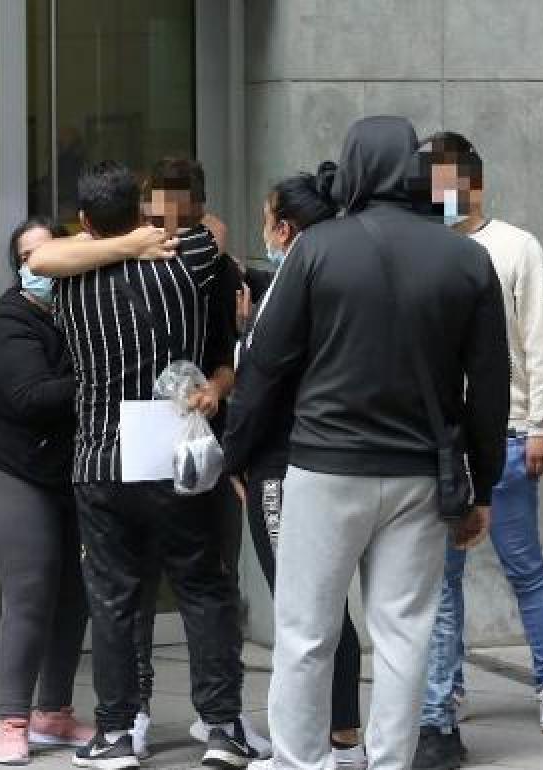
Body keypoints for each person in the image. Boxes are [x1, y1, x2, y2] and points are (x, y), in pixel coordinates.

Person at [225, 115, 510, 770]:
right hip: (418, 477)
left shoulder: (317, 250)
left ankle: (302, 764)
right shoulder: (467, 258)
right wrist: (482, 486)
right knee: (404, 636)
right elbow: (490, 388)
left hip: (325, 468)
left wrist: (236, 455)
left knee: (305, 635)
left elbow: (265, 365)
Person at [28, 161, 253, 770]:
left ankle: (117, 731)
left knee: (115, 598)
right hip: (175, 451)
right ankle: (223, 727)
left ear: (82, 222)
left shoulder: (67, 284)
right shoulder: (190, 259)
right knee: (204, 587)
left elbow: (39, 263)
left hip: (100, 454)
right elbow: (211, 225)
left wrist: (110, 240)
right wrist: (143, 235)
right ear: (145, 211)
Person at [410, 132, 543, 770]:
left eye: (443, 182)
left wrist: (542, 423)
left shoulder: (516, 246)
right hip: (439, 443)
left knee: (523, 565)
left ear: (472, 182)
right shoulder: (425, 249)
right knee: (443, 580)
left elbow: (540, 341)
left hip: (506, 434)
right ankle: (444, 694)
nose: (435, 195)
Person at [224, 162, 369, 770]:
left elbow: (262, 383)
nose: (264, 229)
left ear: (283, 228)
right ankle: (340, 734)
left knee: (306, 609)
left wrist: (234, 456)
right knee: (322, 605)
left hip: (284, 463)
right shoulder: (334, 276)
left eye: (266, 219)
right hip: (325, 459)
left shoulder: (298, 285)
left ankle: (324, 743)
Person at [0, 216, 98, 765]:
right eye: (29, 257)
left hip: (72, 469)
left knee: (75, 593)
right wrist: (101, 380)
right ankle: (11, 718)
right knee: (29, 591)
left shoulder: (84, 309)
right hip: (16, 472)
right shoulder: (6, 320)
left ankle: (54, 712)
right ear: (18, 266)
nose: (41, 266)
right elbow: (31, 396)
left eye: (50, 254)